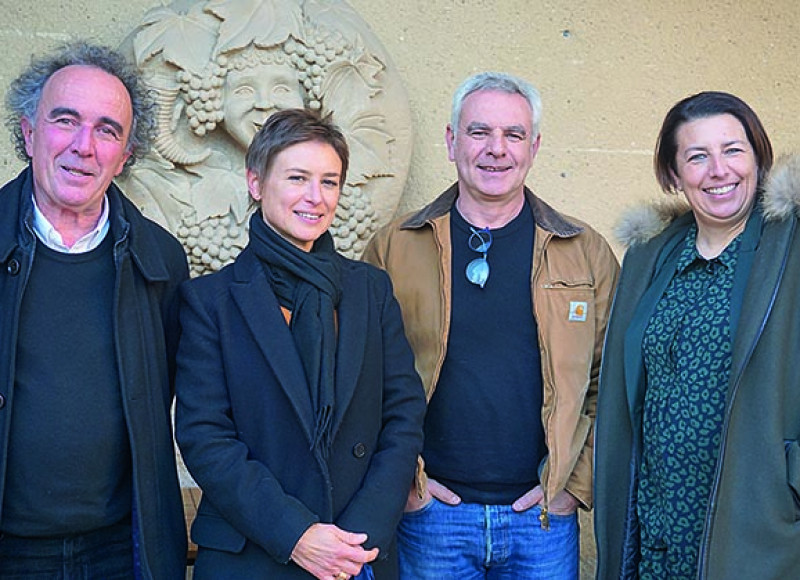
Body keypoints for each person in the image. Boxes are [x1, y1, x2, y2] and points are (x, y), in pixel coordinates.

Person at [363, 71, 619, 579]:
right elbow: (362, 377)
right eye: (479, 132)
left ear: (534, 147)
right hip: (432, 518)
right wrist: (407, 486)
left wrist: (572, 487)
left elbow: (610, 381)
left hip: (543, 520)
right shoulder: (395, 246)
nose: (496, 149)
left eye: (514, 134)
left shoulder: (583, 251)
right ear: (452, 141)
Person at [175, 108, 426, 580]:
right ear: (255, 182)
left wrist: (358, 537)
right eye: (297, 178)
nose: (316, 197)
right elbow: (205, 437)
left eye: (329, 182)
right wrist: (297, 535)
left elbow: (404, 415)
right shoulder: (210, 301)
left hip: (356, 555)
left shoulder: (370, 290)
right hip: (255, 554)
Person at [0, 42, 188, 578]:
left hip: (120, 550)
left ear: (125, 155)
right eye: (65, 120)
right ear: (29, 133)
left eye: (107, 130)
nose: (84, 146)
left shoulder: (161, 261)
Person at [594, 91, 800, 579]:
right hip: (656, 525)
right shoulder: (651, 257)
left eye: (733, 150)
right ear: (673, 174)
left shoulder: (789, 251)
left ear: (758, 159)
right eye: (697, 156)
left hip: (755, 527)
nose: (719, 170)